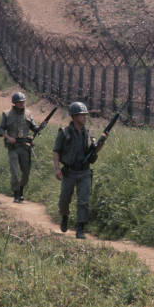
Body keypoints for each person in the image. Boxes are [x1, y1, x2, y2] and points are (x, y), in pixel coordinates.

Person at [53, 102, 108, 239]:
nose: (84, 118)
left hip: (84, 172)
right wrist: (57, 169)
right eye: (81, 115)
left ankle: (80, 228)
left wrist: (102, 142)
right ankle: (64, 217)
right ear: (74, 116)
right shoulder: (64, 132)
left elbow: (94, 151)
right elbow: (56, 151)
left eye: (85, 115)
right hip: (69, 172)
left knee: (83, 200)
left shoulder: (88, 134)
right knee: (64, 200)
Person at [0, 91, 39, 203]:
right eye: (19, 102)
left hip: (25, 147)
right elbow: (0, 130)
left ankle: (21, 190)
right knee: (15, 172)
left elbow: (34, 127)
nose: (22, 104)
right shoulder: (6, 114)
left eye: (23, 102)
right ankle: (16, 194)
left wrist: (38, 128)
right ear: (14, 103)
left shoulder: (28, 113)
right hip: (13, 147)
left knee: (26, 172)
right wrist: (8, 137)